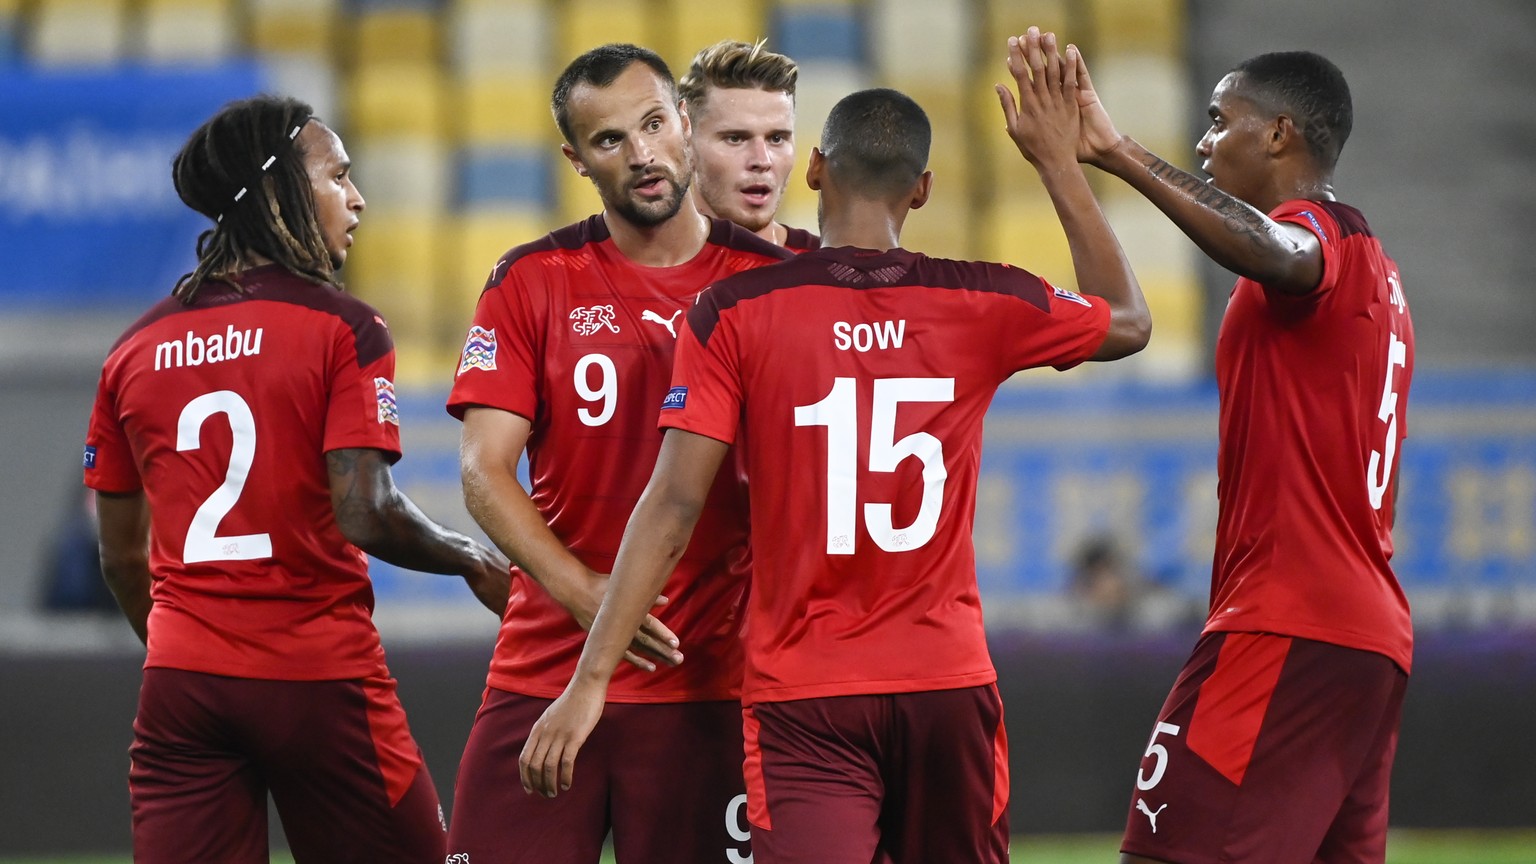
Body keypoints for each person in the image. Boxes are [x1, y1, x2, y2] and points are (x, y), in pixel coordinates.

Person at [520, 31, 1151, 863]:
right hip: (946, 680)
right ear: (921, 190)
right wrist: (1058, 163)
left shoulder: (736, 311)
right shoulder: (980, 298)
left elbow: (672, 504)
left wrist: (590, 677)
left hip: (804, 690)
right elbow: (1130, 320)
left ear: (813, 168)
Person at [83, 95, 511, 864]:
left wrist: (189, 646)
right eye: (338, 175)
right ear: (281, 191)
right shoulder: (344, 325)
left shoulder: (132, 348)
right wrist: (474, 558)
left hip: (182, 683)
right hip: (318, 677)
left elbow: (119, 554)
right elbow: (366, 513)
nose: (358, 197)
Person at [444, 43, 794, 864]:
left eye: (653, 124)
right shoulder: (531, 279)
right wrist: (588, 597)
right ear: (576, 160)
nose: (640, 155)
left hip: (708, 682)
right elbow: (482, 470)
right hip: (544, 672)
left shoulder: (772, 282)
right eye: (609, 141)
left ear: (683, 121)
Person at [1066, 44, 1414, 864]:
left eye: (1222, 122)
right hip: (1363, 640)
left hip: (1287, 624)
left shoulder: (1322, 236)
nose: (1205, 141)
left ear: (1280, 135)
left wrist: (1118, 154)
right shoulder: (1381, 277)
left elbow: (1278, 251)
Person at [678, 38, 819, 251]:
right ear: (685, 144)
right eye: (735, 138)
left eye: (777, 138)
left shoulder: (827, 273)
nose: (762, 161)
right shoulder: (635, 272)